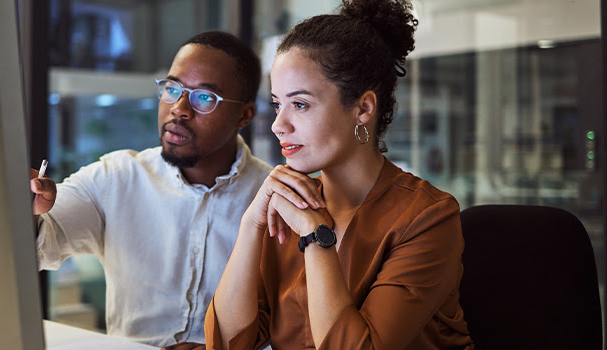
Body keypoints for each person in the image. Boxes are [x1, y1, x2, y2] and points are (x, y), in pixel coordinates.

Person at [206, 1, 475, 349]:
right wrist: (251, 225)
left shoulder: (427, 218)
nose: (277, 125)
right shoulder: (288, 205)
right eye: (277, 104)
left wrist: (316, 236)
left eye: (300, 104)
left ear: (363, 108)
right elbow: (227, 344)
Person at [29, 31, 274, 348]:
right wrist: (31, 210)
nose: (179, 108)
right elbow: (39, 248)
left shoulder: (273, 199)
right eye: (172, 89)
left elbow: (296, 327)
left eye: (203, 98)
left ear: (244, 115)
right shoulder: (117, 177)